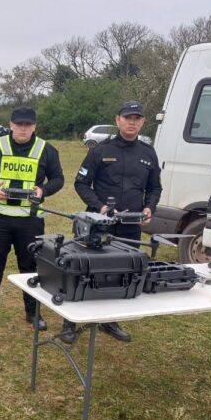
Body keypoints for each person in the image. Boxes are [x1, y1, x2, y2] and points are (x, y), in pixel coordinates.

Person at [58, 100, 162, 344]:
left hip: (130, 225)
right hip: (98, 223)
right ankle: (70, 322)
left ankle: (110, 320)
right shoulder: (100, 150)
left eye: (137, 118)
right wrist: (101, 207)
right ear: (118, 120)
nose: (132, 122)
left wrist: (149, 208)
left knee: (123, 270)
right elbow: (81, 183)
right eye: (127, 118)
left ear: (142, 123)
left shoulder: (148, 153)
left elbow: (155, 187)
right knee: (82, 269)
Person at [0, 106, 64, 331]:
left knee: (31, 267)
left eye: (28, 125)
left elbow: (58, 179)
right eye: (19, 124)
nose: (23, 129)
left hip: (30, 220)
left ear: (34, 126)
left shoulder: (46, 150)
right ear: (11, 125)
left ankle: (33, 313)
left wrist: (43, 191)